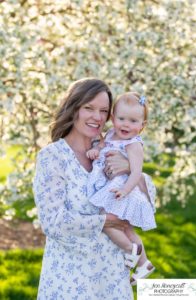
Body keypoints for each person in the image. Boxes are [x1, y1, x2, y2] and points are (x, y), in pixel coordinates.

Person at [33, 78, 135, 300]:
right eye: (89, 108)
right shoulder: (53, 157)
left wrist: (132, 169)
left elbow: (144, 201)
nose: (97, 117)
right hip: (69, 281)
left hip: (112, 279)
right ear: (73, 108)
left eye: (103, 111)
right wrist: (104, 221)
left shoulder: (112, 151)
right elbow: (53, 222)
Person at [86, 92, 157, 285]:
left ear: (142, 126)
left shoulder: (134, 144)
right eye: (121, 118)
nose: (126, 124)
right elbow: (102, 144)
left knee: (104, 219)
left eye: (133, 121)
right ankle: (144, 264)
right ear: (112, 118)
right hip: (114, 185)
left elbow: (135, 172)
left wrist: (124, 191)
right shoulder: (110, 133)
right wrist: (96, 150)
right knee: (126, 227)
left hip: (123, 188)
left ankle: (130, 250)